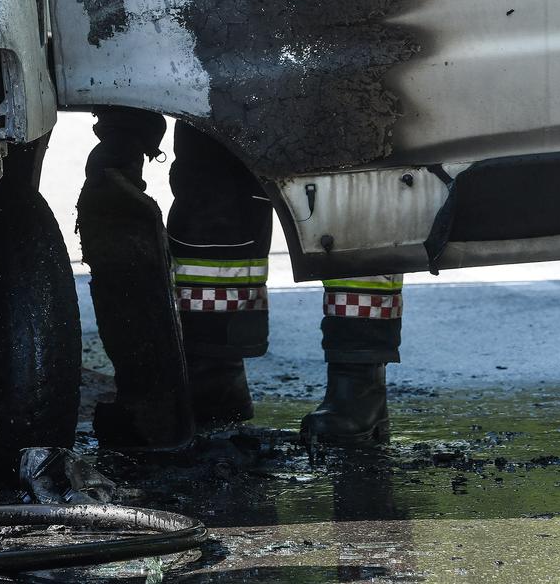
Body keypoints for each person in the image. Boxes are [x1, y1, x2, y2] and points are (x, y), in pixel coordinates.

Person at [79, 107, 402, 449]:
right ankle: (213, 376)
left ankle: (359, 386)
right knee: (212, 189)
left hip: (342, 69)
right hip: (219, 65)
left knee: (350, 189)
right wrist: (125, 132)